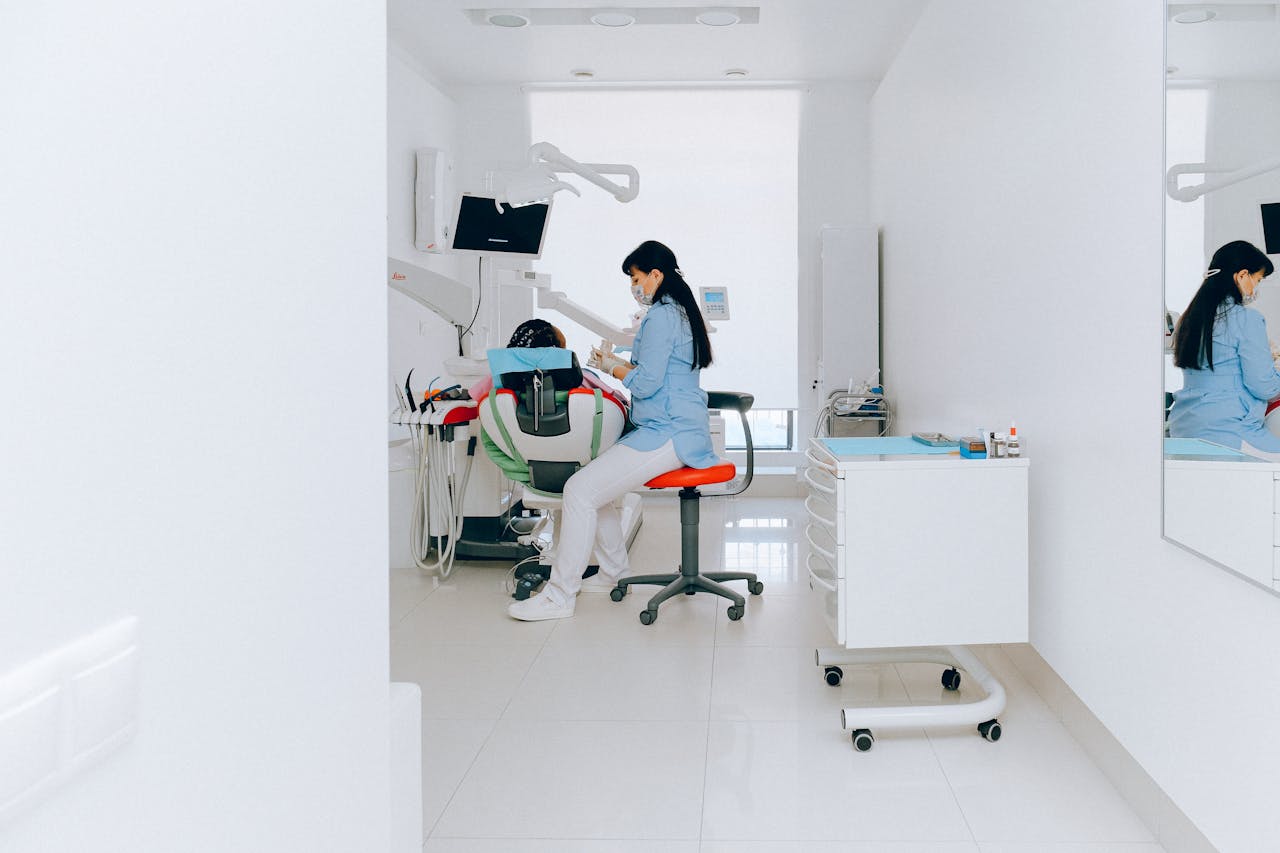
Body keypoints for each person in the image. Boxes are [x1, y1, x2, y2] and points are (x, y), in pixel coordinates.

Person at [507, 240, 718, 621]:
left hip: (670, 431)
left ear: (656, 275)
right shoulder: (679, 312)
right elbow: (659, 372)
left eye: (636, 279)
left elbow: (647, 384)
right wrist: (617, 362)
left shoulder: (661, 315)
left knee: (579, 490)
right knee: (595, 487)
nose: (634, 287)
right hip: (673, 425)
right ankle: (612, 573)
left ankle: (559, 596)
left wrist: (610, 366)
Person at [1168, 240, 1279, 455]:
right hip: (1230, 434)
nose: (1256, 287)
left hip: (1184, 430)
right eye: (1258, 279)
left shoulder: (1188, 321)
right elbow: (1264, 386)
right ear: (1242, 275)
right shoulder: (1247, 319)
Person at [466, 318, 617, 402]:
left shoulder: (500, 377)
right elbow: (618, 403)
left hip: (521, 448)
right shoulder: (583, 377)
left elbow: (470, 396)